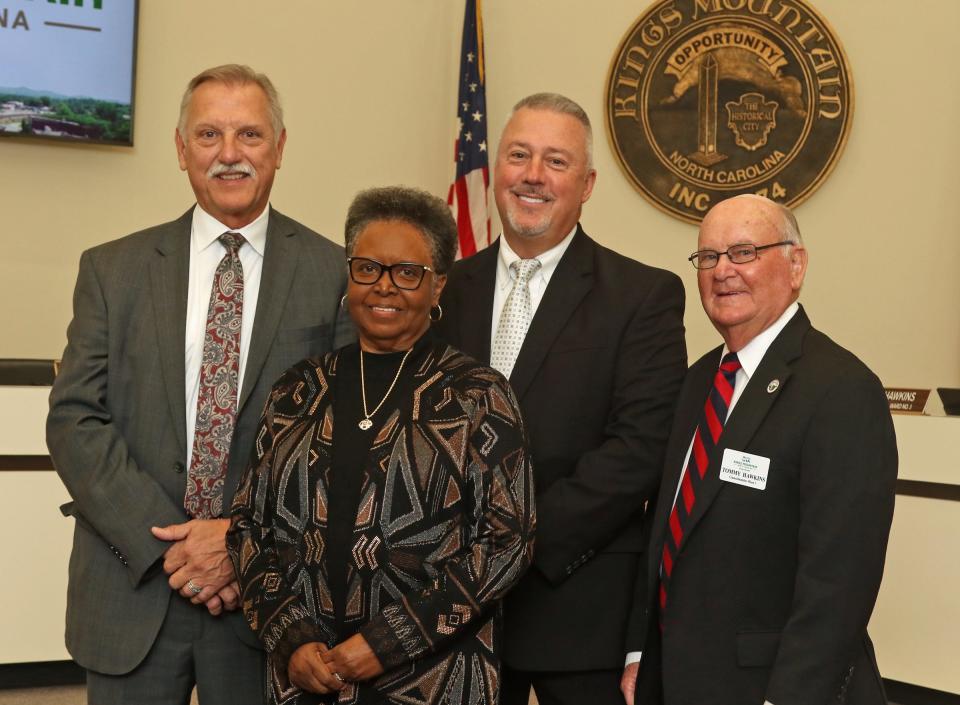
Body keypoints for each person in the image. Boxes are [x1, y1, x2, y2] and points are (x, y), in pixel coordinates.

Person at [46, 64, 353, 705]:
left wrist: (237, 542)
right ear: (181, 149)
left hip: (266, 600)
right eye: (209, 135)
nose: (230, 155)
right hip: (132, 585)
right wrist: (174, 547)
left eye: (249, 135)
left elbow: (337, 443)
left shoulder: (334, 276)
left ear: (280, 147)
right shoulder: (112, 270)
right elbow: (75, 417)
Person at [227, 185, 536, 705]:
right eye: (368, 268)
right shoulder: (297, 390)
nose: (384, 287)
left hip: (433, 678)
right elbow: (246, 527)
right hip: (305, 678)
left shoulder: (477, 395)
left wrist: (386, 643)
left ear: (437, 286)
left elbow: (508, 541)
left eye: (407, 273)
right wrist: (292, 639)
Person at [436, 93, 687, 705]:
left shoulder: (642, 296)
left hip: (576, 607)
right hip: (447, 614)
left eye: (555, 161)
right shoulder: (445, 290)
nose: (533, 176)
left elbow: (638, 450)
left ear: (588, 183)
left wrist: (510, 547)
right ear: (497, 169)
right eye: (519, 155)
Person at [623, 194, 897, 705]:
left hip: (772, 687)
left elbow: (838, 585)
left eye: (744, 252)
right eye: (708, 256)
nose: (723, 270)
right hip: (679, 678)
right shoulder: (698, 381)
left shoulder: (842, 390)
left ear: (795, 265)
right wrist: (640, 651)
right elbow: (665, 530)